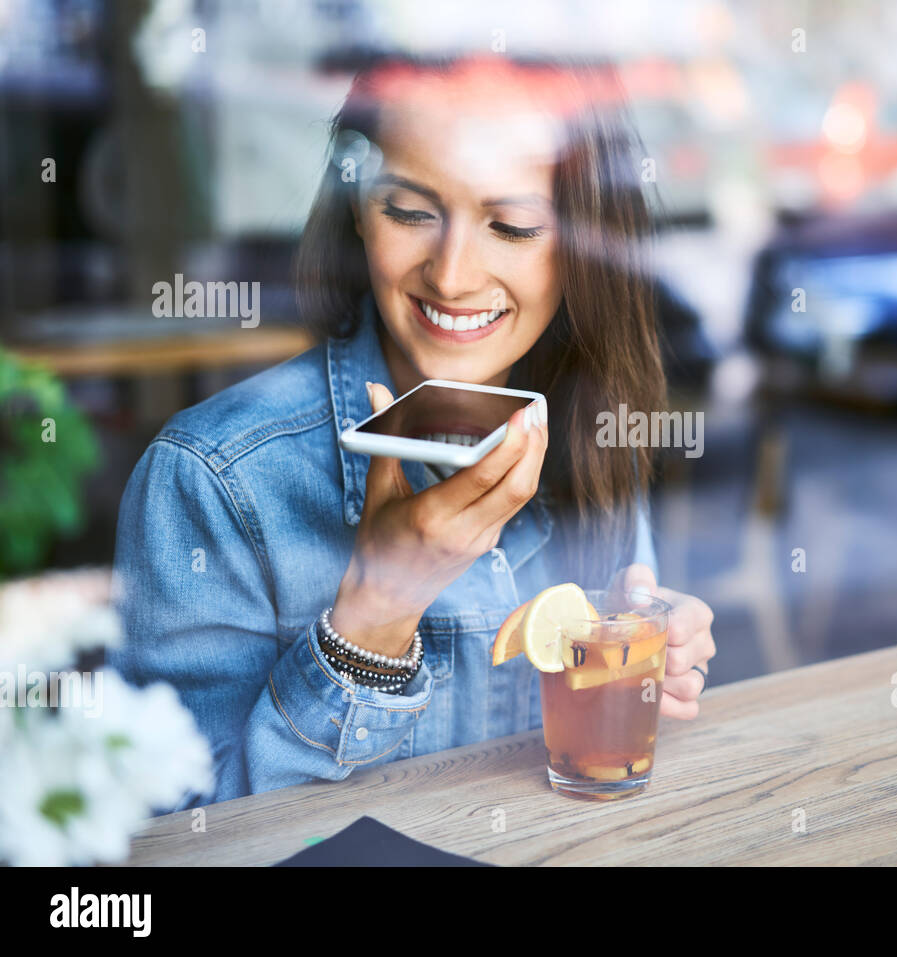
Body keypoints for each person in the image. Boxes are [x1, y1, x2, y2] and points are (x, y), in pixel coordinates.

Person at [109, 53, 716, 811]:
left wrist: (649, 657)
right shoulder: (212, 479)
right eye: (409, 211)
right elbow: (171, 839)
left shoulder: (592, 423)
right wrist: (374, 615)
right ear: (357, 210)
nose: (453, 275)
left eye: (513, 224)